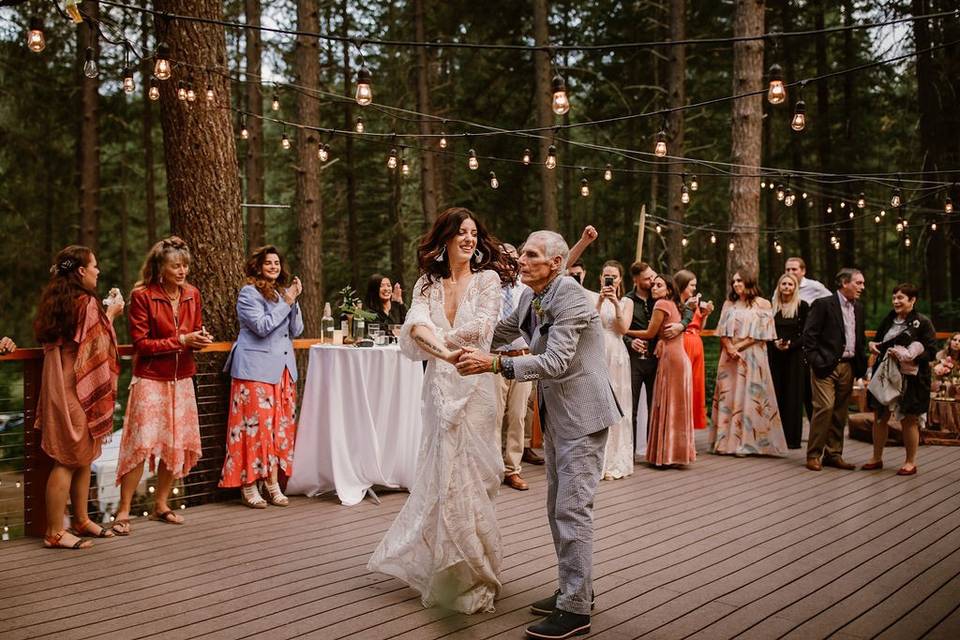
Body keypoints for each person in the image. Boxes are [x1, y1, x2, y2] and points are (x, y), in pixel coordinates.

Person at [456, 229, 621, 640]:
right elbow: (500, 332)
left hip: (583, 418)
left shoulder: (570, 296)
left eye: (531, 255)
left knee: (572, 510)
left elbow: (556, 361)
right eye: (523, 253)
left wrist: (494, 366)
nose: (522, 261)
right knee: (556, 509)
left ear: (555, 263)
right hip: (558, 417)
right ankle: (574, 589)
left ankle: (576, 611)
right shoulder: (533, 296)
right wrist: (451, 343)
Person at [367, 207, 513, 614]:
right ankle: (446, 569)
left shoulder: (488, 280)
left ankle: (476, 569)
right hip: (440, 388)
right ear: (445, 238)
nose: (468, 238)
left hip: (477, 386)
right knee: (442, 477)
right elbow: (410, 334)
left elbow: (483, 330)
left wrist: (435, 340)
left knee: (473, 478)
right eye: (460, 232)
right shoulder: (426, 285)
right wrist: (441, 350)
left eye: (473, 233)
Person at [114, 237, 211, 532]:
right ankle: (123, 510)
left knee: (176, 441)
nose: (182, 271)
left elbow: (193, 330)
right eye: (175, 266)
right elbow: (142, 344)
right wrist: (182, 340)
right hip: (151, 378)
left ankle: (161, 504)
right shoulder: (143, 295)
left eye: (185, 266)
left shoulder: (192, 294)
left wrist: (200, 339)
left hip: (182, 379)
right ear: (160, 267)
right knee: (141, 443)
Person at [33, 246, 123, 548]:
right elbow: (95, 345)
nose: (98, 271)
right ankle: (55, 532)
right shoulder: (86, 303)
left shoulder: (55, 301)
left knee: (84, 454)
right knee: (69, 459)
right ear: (81, 271)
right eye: (94, 266)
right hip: (76, 386)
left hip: (58, 381)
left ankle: (82, 520)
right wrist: (111, 314)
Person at [219, 245, 304, 507]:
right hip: (255, 370)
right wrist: (287, 302)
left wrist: (293, 300)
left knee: (278, 430)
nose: (274, 267)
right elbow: (262, 327)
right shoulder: (248, 293)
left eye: (277, 263)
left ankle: (272, 482)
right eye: (269, 262)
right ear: (258, 266)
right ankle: (248, 484)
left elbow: (297, 330)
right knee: (253, 430)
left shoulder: (282, 294)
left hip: (282, 371)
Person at [711, 269, 788, 457]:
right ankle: (726, 443)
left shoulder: (762, 304)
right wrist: (729, 347)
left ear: (749, 282)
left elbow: (763, 333)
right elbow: (722, 330)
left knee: (751, 397)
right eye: (734, 281)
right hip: (730, 357)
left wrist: (738, 346)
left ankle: (748, 443)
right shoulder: (729, 304)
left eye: (740, 280)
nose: (736, 284)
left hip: (752, 355)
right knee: (729, 396)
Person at [862, 283, 937, 475]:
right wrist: (873, 346)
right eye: (894, 298)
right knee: (880, 417)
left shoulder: (922, 322)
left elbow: (931, 352)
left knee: (909, 419)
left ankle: (910, 461)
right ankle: (876, 457)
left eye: (900, 298)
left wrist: (908, 355)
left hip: (911, 379)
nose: (896, 301)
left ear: (912, 300)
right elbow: (878, 343)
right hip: (885, 375)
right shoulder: (888, 320)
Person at [802, 268, 867, 471]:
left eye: (863, 283)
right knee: (825, 407)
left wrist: (861, 367)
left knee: (840, 412)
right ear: (844, 283)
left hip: (848, 365)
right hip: (825, 366)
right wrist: (816, 360)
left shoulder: (859, 308)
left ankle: (834, 454)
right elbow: (809, 335)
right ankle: (814, 454)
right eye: (858, 283)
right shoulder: (823, 304)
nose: (862, 288)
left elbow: (859, 337)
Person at [629, 275, 696, 467]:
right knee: (676, 406)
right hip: (679, 357)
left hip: (671, 359)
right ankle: (676, 454)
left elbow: (649, 333)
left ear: (668, 289)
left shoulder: (661, 305)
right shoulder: (673, 305)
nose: (654, 288)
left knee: (667, 404)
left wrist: (625, 330)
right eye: (653, 285)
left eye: (659, 285)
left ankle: (666, 455)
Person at [491, 243, 535, 491]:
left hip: (521, 358)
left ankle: (512, 469)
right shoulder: (487, 288)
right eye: (504, 259)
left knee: (518, 416)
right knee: (494, 417)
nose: (509, 263)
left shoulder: (527, 289)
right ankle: (493, 468)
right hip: (494, 359)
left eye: (513, 259)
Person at [585, 260, 634, 479]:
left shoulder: (626, 302)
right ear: (600, 278)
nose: (610, 279)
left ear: (620, 279)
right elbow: (588, 324)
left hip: (617, 353)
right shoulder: (593, 298)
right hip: (597, 351)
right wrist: (601, 301)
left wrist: (615, 304)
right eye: (606, 275)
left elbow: (623, 330)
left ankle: (615, 460)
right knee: (596, 402)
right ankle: (595, 460)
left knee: (617, 404)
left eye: (613, 276)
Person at [768, 273, 810, 449]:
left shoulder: (803, 306)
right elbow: (765, 330)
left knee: (793, 395)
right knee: (775, 394)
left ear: (795, 288)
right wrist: (775, 342)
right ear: (779, 286)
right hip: (775, 355)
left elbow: (807, 333)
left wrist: (791, 345)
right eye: (783, 284)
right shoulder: (771, 307)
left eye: (790, 284)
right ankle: (773, 438)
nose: (786, 287)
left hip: (795, 356)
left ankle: (792, 439)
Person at [675, 270, 714, 430]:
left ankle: (692, 425)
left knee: (696, 386)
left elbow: (700, 326)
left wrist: (705, 315)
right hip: (683, 341)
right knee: (683, 384)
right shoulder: (675, 303)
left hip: (697, 341)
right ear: (682, 285)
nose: (694, 288)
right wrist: (686, 307)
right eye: (691, 285)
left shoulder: (695, 302)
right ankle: (679, 426)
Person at [930, 333, 960, 432]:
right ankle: (945, 425)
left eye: (959, 341)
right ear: (950, 341)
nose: (956, 343)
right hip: (941, 382)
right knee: (946, 386)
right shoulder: (941, 355)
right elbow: (935, 374)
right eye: (954, 340)